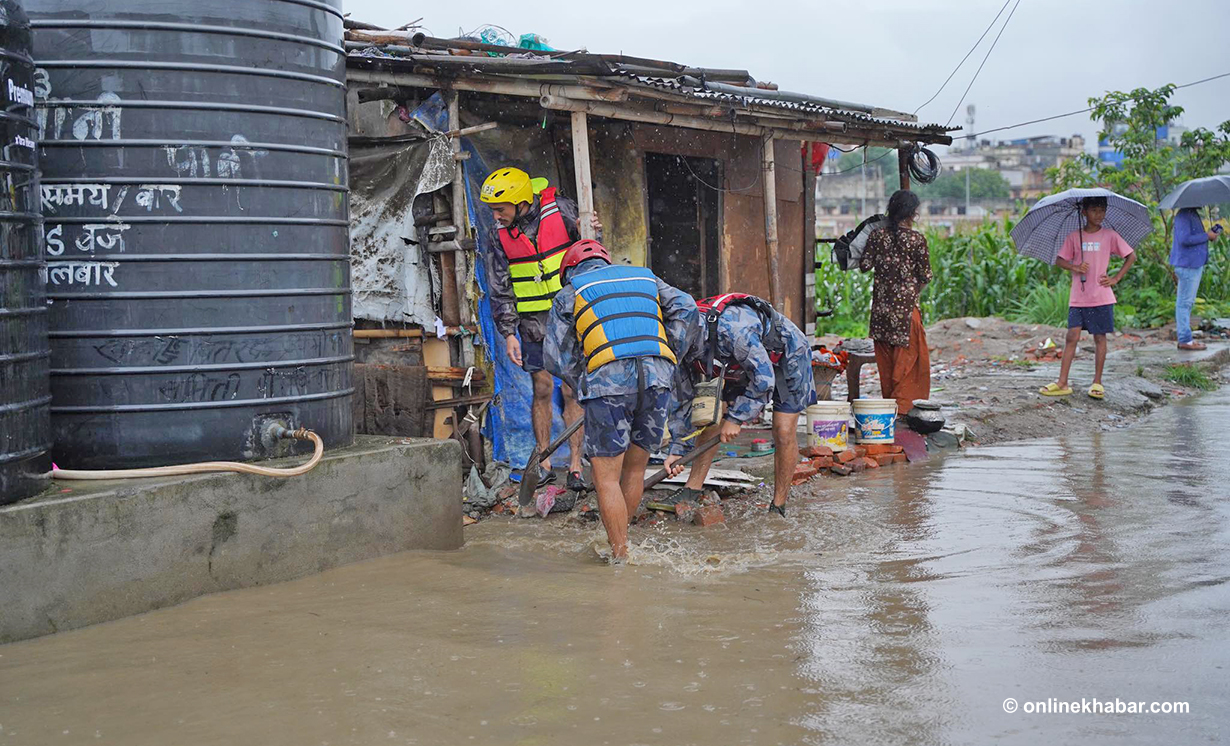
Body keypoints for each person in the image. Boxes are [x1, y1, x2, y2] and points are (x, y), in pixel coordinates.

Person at [544, 240, 697, 561]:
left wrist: (584, 379)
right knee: (634, 472)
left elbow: (554, 358)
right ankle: (622, 542)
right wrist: (671, 356)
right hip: (657, 379)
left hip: (608, 384)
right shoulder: (646, 277)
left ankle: (619, 558)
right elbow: (688, 308)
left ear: (568, 270)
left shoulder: (570, 292)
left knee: (606, 479)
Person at [480, 167, 599, 490]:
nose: (496, 215)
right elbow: (499, 286)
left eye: (500, 209)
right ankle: (545, 462)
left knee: (572, 389)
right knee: (542, 389)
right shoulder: (497, 235)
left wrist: (592, 233)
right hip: (533, 325)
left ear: (521, 203)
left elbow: (591, 253)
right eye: (493, 210)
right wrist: (508, 333)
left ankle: (576, 465)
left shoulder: (561, 211)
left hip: (573, 318)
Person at [663, 294, 817, 517]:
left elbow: (764, 380)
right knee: (711, 417)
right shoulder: (679, 345)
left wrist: (736, 419)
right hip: (735, 362)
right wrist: (677, 449)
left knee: (783, 430)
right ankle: (691, 490)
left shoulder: (734, 330)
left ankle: (778, 505)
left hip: (786, 354)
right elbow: (682, 398)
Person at [1040, 195, 1137, 399]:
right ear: (1084, 212)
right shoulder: (1075, 237)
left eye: (1102, 210)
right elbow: (1059, 259)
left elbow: (1131, 256)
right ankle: (1062, 382)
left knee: (1099, 338)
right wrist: (1075, 266)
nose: (1099, 214)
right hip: (1079, 296)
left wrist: (1116, 278)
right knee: (1071, 337)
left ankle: (1097, 383)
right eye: (1094, 210)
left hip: (1101, 295)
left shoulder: (1110, 236)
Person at [859, 189, 932, 418]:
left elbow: (864, 265)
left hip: (880, 311)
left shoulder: (877, 236)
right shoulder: (916, 240)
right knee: (909, 363)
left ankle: (890, 407)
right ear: (912, 213)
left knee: (887, 363)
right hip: (905, 312)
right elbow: (926, 276)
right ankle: (902, 408)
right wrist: (911, 292)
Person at [1171, 206, 1219, 351]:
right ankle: (1185, 340)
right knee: (1184, 303)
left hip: (1192, 263)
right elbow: (1185, 239)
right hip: (1188, 265)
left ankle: (1186, 338)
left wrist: (1210, 234)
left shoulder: (1191, 213)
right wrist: (1206, 236)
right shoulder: (1184, 215)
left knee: (1186, 303)